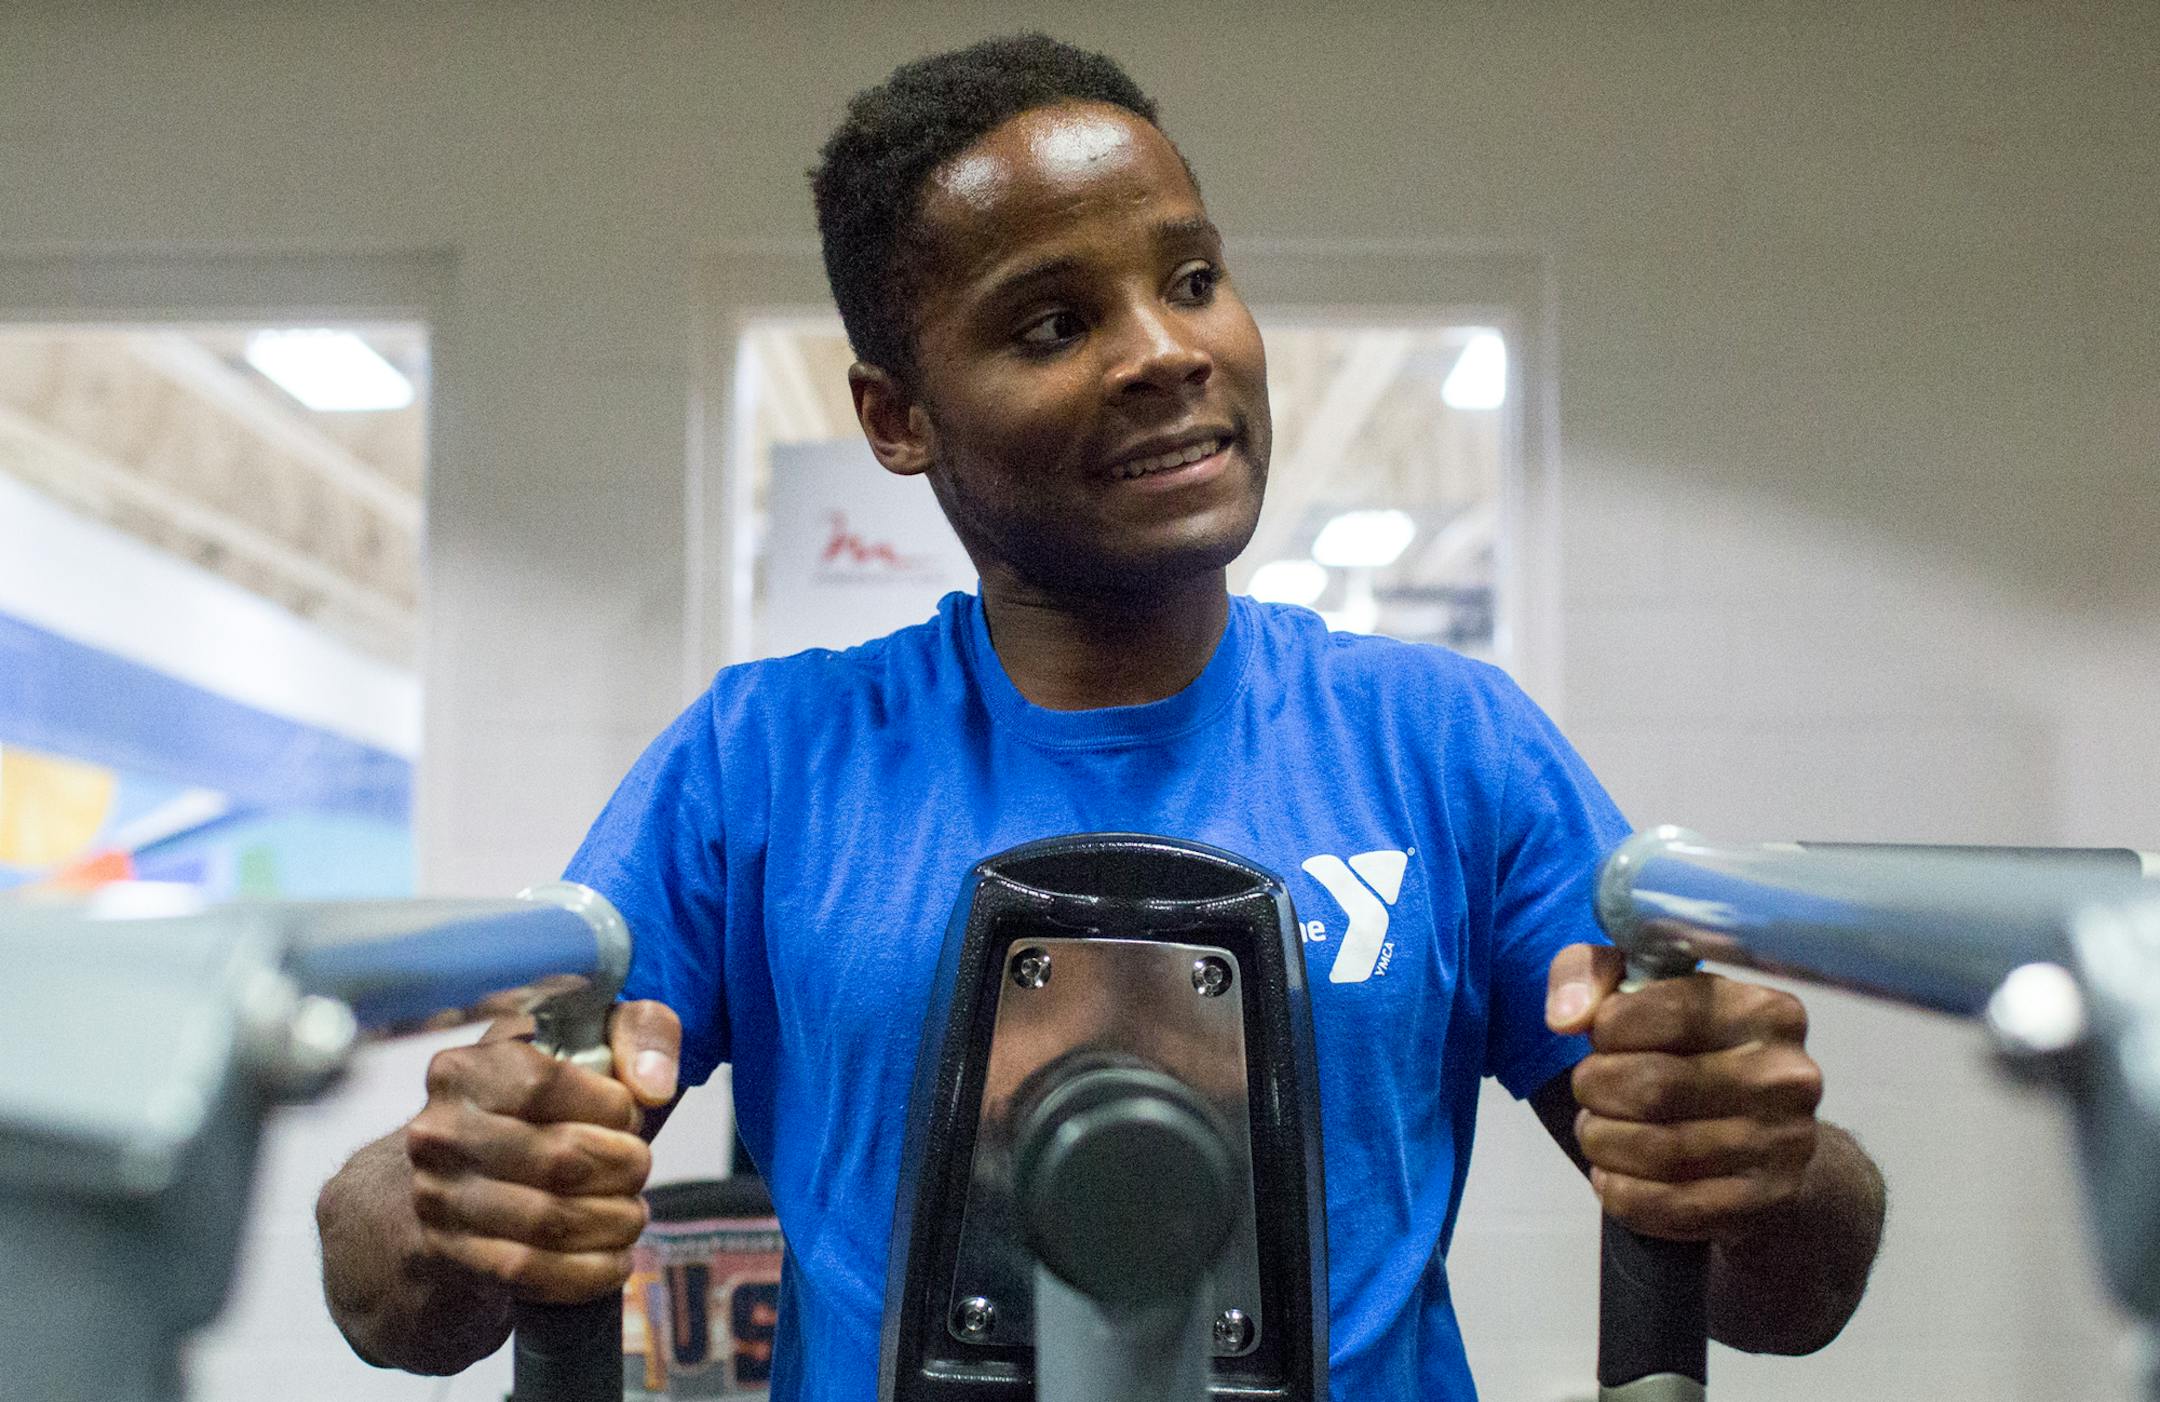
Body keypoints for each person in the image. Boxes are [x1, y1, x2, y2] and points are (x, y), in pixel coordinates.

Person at [316, 33, 1886, 1399]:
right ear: (897, 416)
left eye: (1193, 278)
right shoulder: (765, 760)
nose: (1169, 352)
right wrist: (469, 1184)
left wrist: (1757, 1159)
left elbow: (1786, 1287)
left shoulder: (1448, 744)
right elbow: (391, 1284)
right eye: (1054, 323)